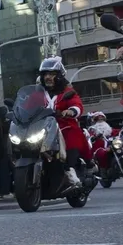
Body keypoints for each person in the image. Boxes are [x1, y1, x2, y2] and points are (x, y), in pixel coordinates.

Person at [38, 57, 84, 188]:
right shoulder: (38, 92)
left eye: (52, 74)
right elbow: (28, 104)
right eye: (45, 74)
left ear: (59, 76)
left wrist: (71, 111)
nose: (48, 77)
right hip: (41, 127)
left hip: (63, 125)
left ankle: (70, 168)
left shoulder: (67, 91)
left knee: (71, 135)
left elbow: (77, 104)